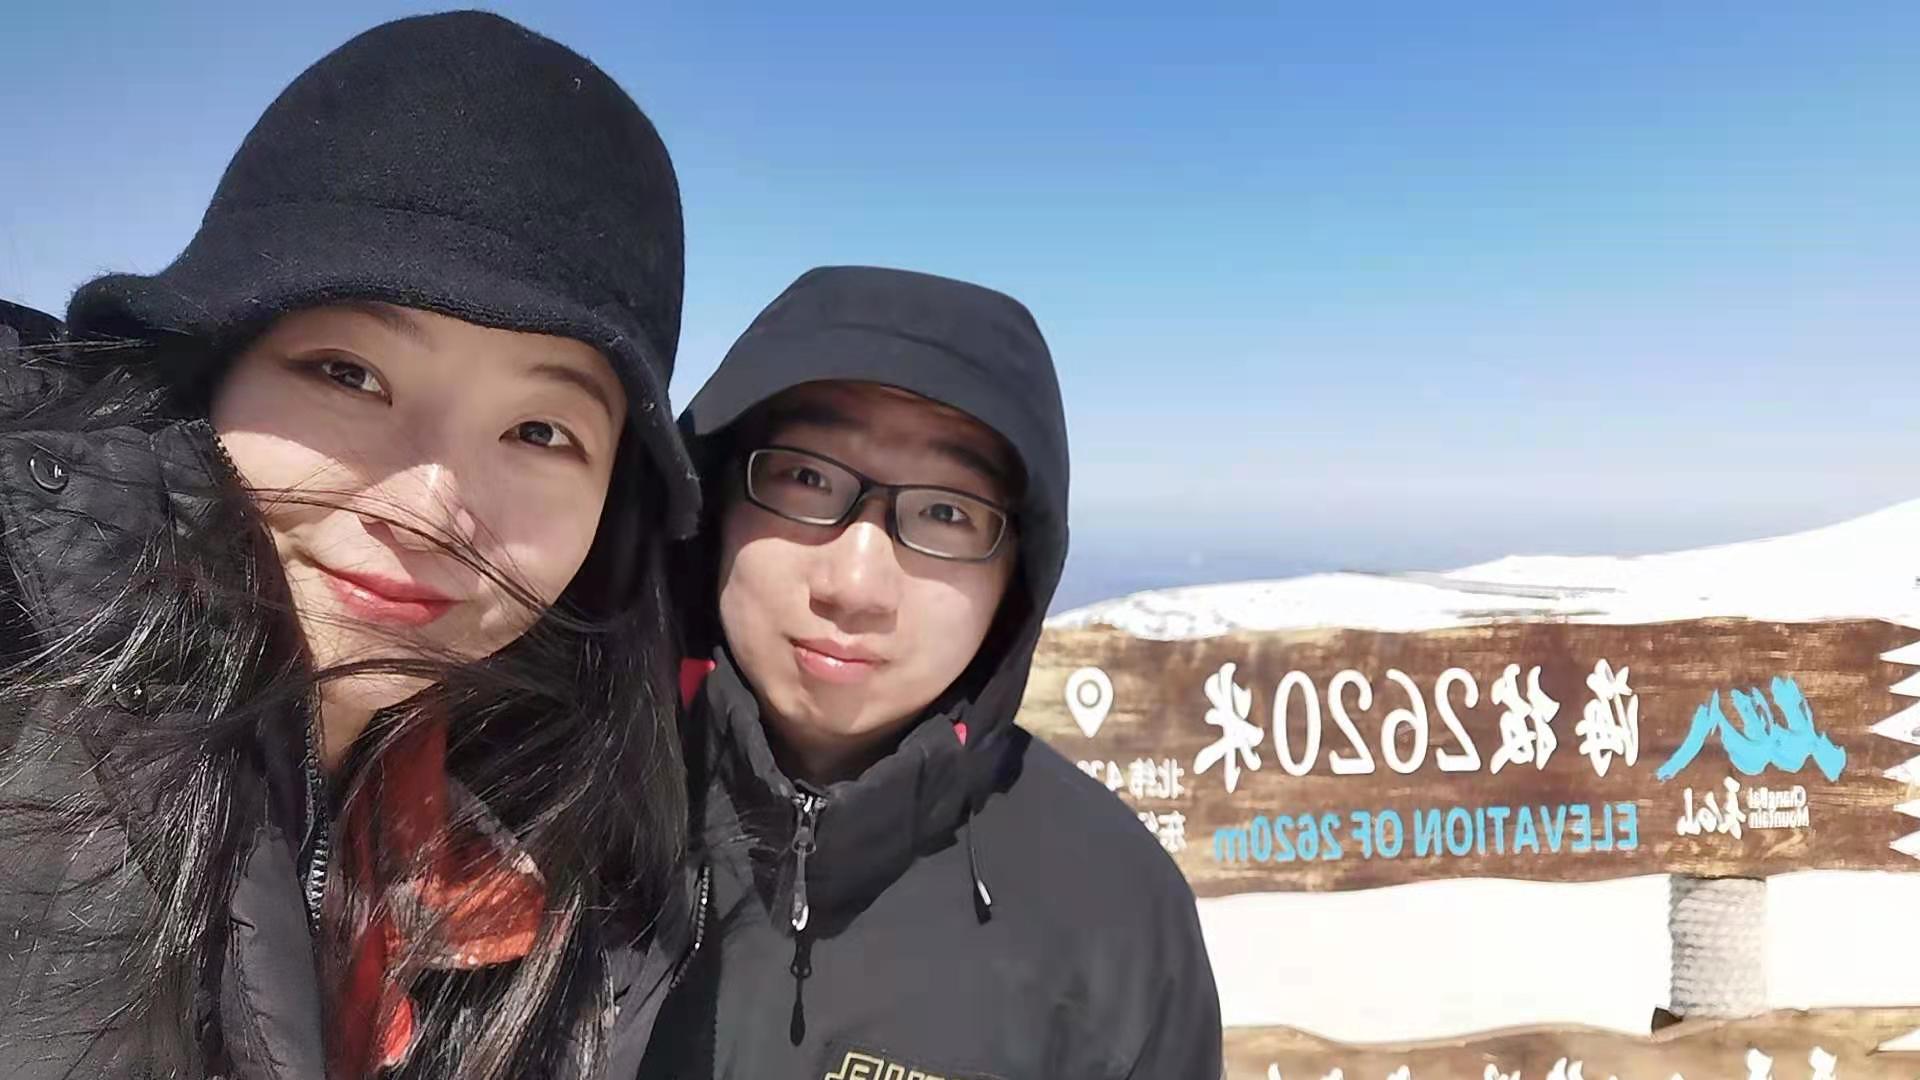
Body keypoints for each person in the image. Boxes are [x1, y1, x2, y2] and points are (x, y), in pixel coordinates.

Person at [0, 13, 701, 1080]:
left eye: (540, 432)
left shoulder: (550, 859)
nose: (428, 507)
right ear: (211, 364)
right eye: (349, 374)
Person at [641, 266, 1223, 1079]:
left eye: (946, 513)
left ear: (1017, 576)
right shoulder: (554, 810)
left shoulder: (1116, 914)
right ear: (713, 504)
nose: (854, 585)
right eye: (806, 478)